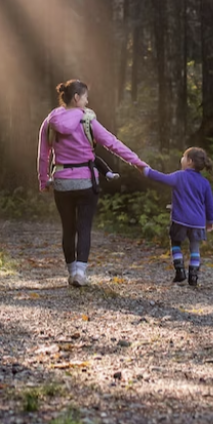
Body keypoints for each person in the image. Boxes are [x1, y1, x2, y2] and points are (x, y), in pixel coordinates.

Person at [38, 79, 147, 287]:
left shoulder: (50, 120)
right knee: (84, 227)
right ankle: (80, 272)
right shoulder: (87, 120)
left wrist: (44, 180)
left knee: (68, 228)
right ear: (77, 98)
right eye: (86, 97)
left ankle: (71, 272)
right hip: (86, 182)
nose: (87, 102)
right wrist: (137, 162)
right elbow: (112, 143)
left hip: (62, 182)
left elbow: (43, 155)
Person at [143, 147, 213, 287]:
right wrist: (210, 221)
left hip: (180, 220)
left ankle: (180, 271)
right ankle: (193, 277)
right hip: (198, 223)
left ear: (189, 161)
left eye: (183, 156)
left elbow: (161, 178)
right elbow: (210, 204)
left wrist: (146, 171)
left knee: (175, 243)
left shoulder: (179, 176)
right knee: (195, 248)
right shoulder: (205, 183)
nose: (181, 159)